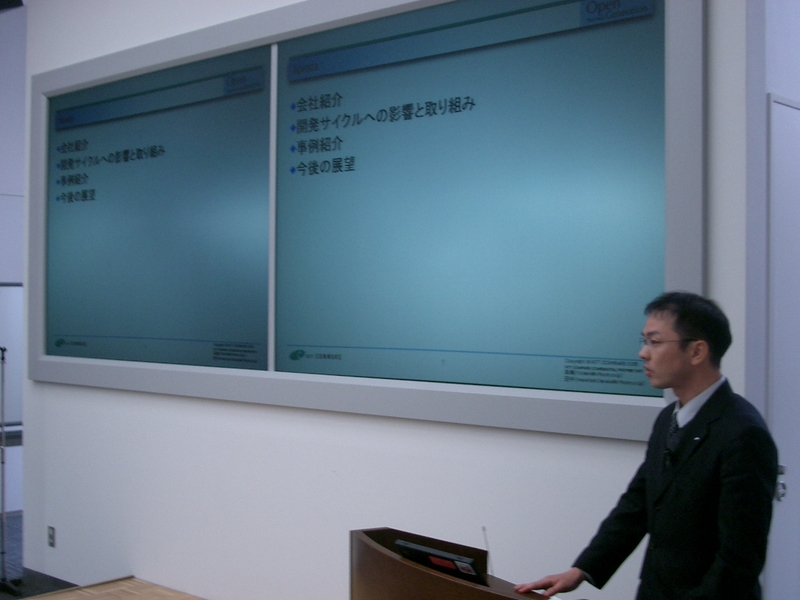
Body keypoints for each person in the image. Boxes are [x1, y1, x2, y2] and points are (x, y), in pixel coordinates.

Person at [515, 292, 778, 600]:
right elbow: (637, 503)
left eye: (654, 342)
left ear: (697, 351)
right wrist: (582, 570)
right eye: (644, 341)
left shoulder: (743, 433)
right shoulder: (669, 418)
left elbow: (739, 560)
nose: (643, 353)